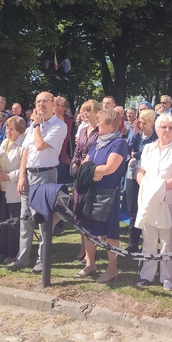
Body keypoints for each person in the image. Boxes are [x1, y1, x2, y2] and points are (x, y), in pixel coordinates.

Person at [6, 91, 66, 272]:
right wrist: (21, 176)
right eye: (38, 101)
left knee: (42, 220)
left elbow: (40, 146)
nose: (41, 105)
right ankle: (22, 257)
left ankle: (42, 259)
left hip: (45, 175)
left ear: (53, 104)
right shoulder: (33, 126)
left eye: (45, 101)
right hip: (29, 175)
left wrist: (38, 125)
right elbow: (27, 151)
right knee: (25, 219)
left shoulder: (59, 125)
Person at [75, 109, 129, 283]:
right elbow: (84, 165)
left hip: (108, 194)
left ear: (111, 124)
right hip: (92, 191)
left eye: (101, 122)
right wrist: (92, 173)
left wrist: (91, 171)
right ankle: (90, 264)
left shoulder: (119, 143)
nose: (97, 124)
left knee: (110, 234)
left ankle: (112, 269)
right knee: (89, 230)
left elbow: (110, 168)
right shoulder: (97, 142)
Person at [135, 114, 172, 290]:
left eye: (171, 128)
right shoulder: (148, 148)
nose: (167, 131)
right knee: (148, 238)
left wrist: (162, 190)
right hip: (149, 199)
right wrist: (148, 190)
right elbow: (140, 171)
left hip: (168, 200)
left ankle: (167, 277)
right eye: (164, 127)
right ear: (156, 129)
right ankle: (147, 274)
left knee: (167, 240)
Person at [0, 116, 27, 264]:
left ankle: (13, 253)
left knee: (14, 222)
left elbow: (24, 168)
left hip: (15, 189)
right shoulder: (5, 142)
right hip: (2, 188)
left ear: (19, 130)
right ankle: (2, 250)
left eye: (11, 128)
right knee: (3, 220)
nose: (7, 131)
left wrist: (8, 176)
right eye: (7, 127)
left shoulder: (23, 145)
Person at [71, 100, 101, 262]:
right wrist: (75, 165)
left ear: (97, 112)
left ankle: (91, 252)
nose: (84, 114)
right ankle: (83, 247)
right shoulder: (83, 131)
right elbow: (77, 151)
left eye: (88, 111)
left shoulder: (100, 131)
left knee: (90, 214)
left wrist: (85, 170)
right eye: (83, 111)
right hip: (79, 176)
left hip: (91, 174)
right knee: (80, 213)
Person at [126, 109, 158, 252]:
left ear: (152, 123)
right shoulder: (137, 135)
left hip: (148, 176)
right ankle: (133, 243)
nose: (142, 125)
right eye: (140, 122)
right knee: (133, 209)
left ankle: (148, 243)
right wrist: (135, 131)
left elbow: (146, 153)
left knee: (146, 209)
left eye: (145, 123)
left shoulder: (155, 138)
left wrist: (136, 154)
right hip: (132, 175)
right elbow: (128, 146)